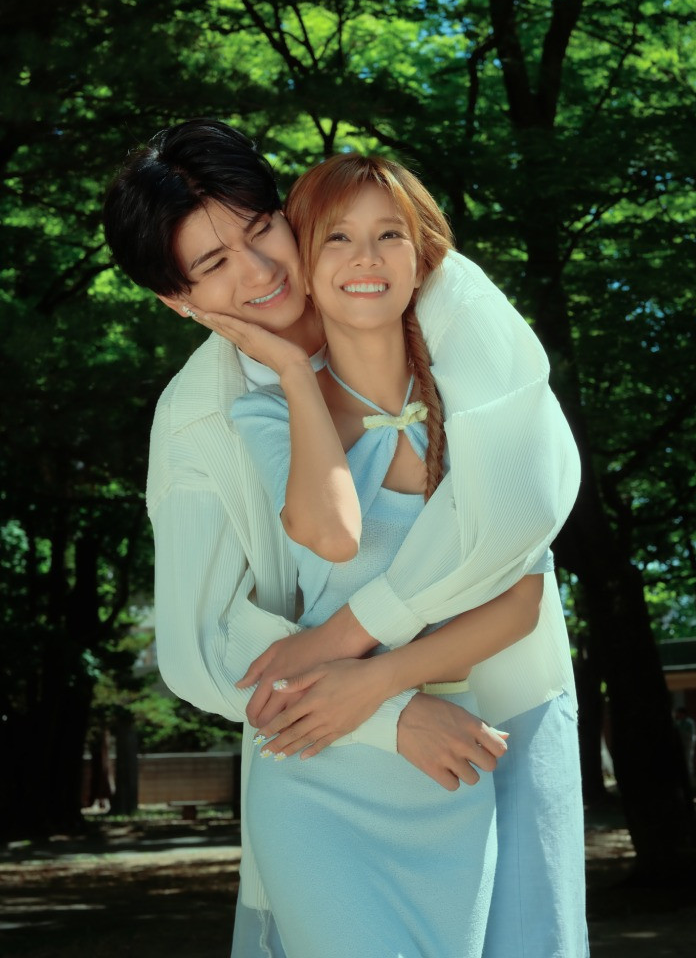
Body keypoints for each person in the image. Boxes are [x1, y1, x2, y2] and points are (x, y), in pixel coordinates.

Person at [102, 119, 587, 957]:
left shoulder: (428, 292)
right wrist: (387, 711)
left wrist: (352, 638)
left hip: (507, 700)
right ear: (178, 301)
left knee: (525, 930)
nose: (260, 272)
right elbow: (200, 645)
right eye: (214, 264)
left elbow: (523, 508)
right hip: (330, 744)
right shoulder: (201, 421)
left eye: (262, 230)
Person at [224, 153, 560, 956]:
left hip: (446, 758)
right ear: (305, 264)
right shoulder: (264, 413)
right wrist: (294, 372)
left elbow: (520, 603)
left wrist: (377, 681)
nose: (365, 257)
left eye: (389, 236)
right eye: (336, 237)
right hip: (317, 768)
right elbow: (330, 532)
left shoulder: (479, 409)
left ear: (423, 258)